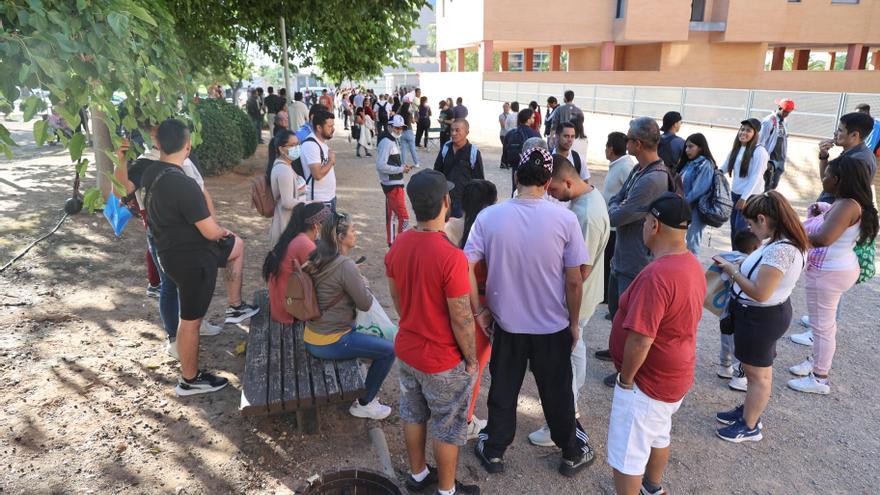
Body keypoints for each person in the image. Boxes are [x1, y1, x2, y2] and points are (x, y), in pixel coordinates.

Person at [466, 148, 594, 479]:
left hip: (507, 324)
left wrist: (479, 310)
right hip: (551, 325)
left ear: (515, 176)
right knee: (557, 392)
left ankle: (494, 449)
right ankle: (570, 450)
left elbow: (465, 265)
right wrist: (574, 323)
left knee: (503, 390)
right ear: (548, 181)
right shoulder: (565, 219)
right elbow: (574, 280)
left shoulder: (489, 217)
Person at [142, 119, 259, 395]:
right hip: (192, 260)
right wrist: (221, 231)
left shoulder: (152, 173)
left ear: (158, 144)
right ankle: (190, 379)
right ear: (188, 145)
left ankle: (235, 306)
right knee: (191, 321)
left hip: (168, 254)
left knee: (235, 247)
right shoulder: (184, 185)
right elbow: (208, 230)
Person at [386, 170, 481, 495]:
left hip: (408, 348)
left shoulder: (398, 245)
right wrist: (471, 359)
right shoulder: (451, 257)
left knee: (412, 411)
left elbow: (397, 298)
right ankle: (446, 490)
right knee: (448, 423)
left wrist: (415, 321)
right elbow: (462, 317)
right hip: (441, 359)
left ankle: (417, 475)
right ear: (445, 201)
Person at [607, 192, 706, 495]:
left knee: (628, 454)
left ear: (653, 225)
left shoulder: (657, 275)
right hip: (675, 374)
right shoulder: (690, 263)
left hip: (648, 382)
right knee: (658, 434)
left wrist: (626, 380)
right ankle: (653, 488)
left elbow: (641, 338)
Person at [115, 120, 227, 358]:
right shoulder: (147, 163)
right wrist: (121, 159)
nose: (159, 135)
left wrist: (212, 223)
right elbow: (121, 190)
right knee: (170, 284)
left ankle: (196, 323)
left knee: (193, 287)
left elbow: (201, 189)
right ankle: (174, 338)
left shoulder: (184, 155)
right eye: (155, 130)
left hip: (196, 232)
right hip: (166, 235)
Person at [713, 191, 807, 441]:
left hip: (760, 317)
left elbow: (761, 292)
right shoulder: (781, 243)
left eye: (751, 223)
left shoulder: (780, 251)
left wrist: (734, 271)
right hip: (760, 316)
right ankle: (748, 412)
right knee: (755, 371)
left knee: (758, 375)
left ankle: (750, 425)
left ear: (763, 219)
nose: (750, 228)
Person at [530, 154, 610, 447]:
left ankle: (562, 421)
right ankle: (566, 413)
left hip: (576, 299)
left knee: (566, 357)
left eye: (552, 191)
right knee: (574, 351)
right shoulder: (587, 198)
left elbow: (579, 272)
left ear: (567, 181)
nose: (551, 196)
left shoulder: (584, 215)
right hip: (583, 297)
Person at [787, 157, 878, 395]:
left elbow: (824, 238)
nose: (823, 178)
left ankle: (819, 378)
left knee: (822, 326)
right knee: (824, 325)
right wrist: (824, 210)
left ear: (838, 180)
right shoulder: (847, 202)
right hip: (835, 268)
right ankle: (816, 361)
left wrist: (790, 234)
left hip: (829, 273)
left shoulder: (848, 205)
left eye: (827, 175)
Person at [792, 111, 878, 342]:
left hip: (839, 224)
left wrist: (793, 235)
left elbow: (824, 237)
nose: (835, 134)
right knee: (826, 288)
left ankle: (819, 332)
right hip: (833, 217)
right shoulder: (849, 154)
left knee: (830, 285)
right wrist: (823, 156)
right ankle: (819, 320)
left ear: (855, 134)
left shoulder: (859, 160)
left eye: (840, 131)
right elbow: (827, 183)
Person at [598, 118, 675, 376]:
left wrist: (615, 208)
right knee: (616, 310)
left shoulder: (653, 178)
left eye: (629, 138)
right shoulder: (638, 170)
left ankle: (627, 368)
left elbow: (619, 214)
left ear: (638, 144)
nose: (625, 142)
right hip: (623, 254)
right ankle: (616, 351)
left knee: (632, 319)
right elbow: (617, 200)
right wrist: (616, 207)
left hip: (636, 259)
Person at [304, 212, 396, 419]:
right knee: (390, 351)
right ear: (340, 237)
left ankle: (365, 374)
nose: (356, 234)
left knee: (371, 340)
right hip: (331, 340)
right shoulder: (345, 266)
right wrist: (361, 284)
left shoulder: (319, 255)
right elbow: (364, 303)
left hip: (314, 333)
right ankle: (365, 403)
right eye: (352, 231)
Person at [444, 180, 498, 441]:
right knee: (474, 365)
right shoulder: (491, 232)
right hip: (481, 307)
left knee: (455, 361)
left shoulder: (449, 228)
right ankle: (464, 419)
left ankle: (452, 412)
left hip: (451, 303)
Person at [263, 202, 325, 324]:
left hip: (282, 305)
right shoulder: (305, 244)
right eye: (327, 225)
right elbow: (324, 277)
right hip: (289, 311)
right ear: (316, 225)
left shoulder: (297, 237)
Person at [715, 229, 762, 379]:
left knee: (726, 339)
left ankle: (725, 366)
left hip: (724, 310)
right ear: (755, 248)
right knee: (739, 343)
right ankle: (739, 376)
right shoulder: (748, 264)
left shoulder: (726, 258)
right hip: (739, 308)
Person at [600, 132, 636, 308]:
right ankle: (607, 296)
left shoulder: (625, 167)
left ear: (611, 149)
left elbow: (631, 195)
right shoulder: (617, 165)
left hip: (617, 226)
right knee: (607, 261)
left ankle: (612, 300)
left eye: (606, 146)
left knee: (612, 263)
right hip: (611, 223)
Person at [721, 118, 769, 246]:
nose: (743, 132)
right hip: (736, 194)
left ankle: (745, 259)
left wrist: (744, 198)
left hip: (750, 198)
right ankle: (735, 256)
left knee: (743, 231)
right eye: (742, 129)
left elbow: (756, 177)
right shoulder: (737, 148)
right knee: (734, 229)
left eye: (748, 130)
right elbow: (725, 166)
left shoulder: (760, 152)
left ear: (755, 134)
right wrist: (715, 172)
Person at [376, 115, 415, 246]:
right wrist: (400, 170)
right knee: (404, 219)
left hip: (392, 184)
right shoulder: (387, 142)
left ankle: (393, 244)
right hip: (393, 185)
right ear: (390, 126)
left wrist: (401, 168)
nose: (399, 130)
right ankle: (399, 245)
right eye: (397, 128)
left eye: (401, 128)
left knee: (392, 217)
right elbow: (381, 166)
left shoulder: (390, 140)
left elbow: (384, 164)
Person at [434, 119, 484, 218]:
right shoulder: (446, 148)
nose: (453, 133)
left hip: (463, 202)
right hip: (444, 199)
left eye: (457, 130)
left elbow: (479, 180)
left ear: (467, 132)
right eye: (452, 130)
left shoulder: (473, 152)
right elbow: (437, 172)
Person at [677, 133, 717, 255]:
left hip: (698, 208)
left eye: (691, 147)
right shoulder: (690, 163)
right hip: (686, 206)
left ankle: (692, 271)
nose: (687, 150)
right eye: (686, 147)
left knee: (692, 242)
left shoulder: (705, 164)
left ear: (700, 147)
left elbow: (699, 189)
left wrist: (683, 203)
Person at [267, 129, 304, 246]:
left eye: (298, 144)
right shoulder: (283, 170)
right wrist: (310, 204)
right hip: (286, 227)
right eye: (292, 145)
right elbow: (287, 202)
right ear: (281, 149)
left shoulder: (287, 166)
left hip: (291, 226)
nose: (297, 148)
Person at [301, 110, 338, 211]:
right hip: (319, 201)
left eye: (333, 126)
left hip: (328, 198)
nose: (333, 129)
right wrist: (331, 161)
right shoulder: (311, 145)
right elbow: (317, 175)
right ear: (318, 127)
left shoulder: (321, 143)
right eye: (329, 126)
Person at [759, 97, 794, 191]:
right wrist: (764, 160)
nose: (787, 114)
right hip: (770, 160)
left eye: (788, 112)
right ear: (779, 107)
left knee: (773, 186)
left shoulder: (784, 121)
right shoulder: (768, 121)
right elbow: (760, 142)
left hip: (780, 160)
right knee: (765, 187)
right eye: (785, 111)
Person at [397, 101, 421, 168]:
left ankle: (403, 164)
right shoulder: (409, 113)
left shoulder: (399, 114)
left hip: (402, 132)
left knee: (403, 150)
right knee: (412, 149)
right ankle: (416, 163)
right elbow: (413, 122)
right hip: (409, 132)